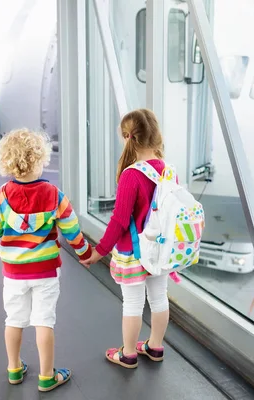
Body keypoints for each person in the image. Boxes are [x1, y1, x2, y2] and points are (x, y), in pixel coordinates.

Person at [0, 128, 92, 391]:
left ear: (7, 160)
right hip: (45, 271)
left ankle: (14, 369)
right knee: (44, 320)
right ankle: (46, 376)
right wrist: (86, 254)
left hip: (14, 273)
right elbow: (73, 232)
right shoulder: (54, 195)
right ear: (41, 158)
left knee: (13, 320)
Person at [82, 108, 176, 368]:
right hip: (160, 250)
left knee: (133, 304)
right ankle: (155, 346)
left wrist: (98, 251)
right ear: (155, 134)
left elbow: (120, 220)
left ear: (127, 137)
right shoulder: (168, 170)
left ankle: (129, 354)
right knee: (159, 298)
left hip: (133, 252)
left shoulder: (131, 175)